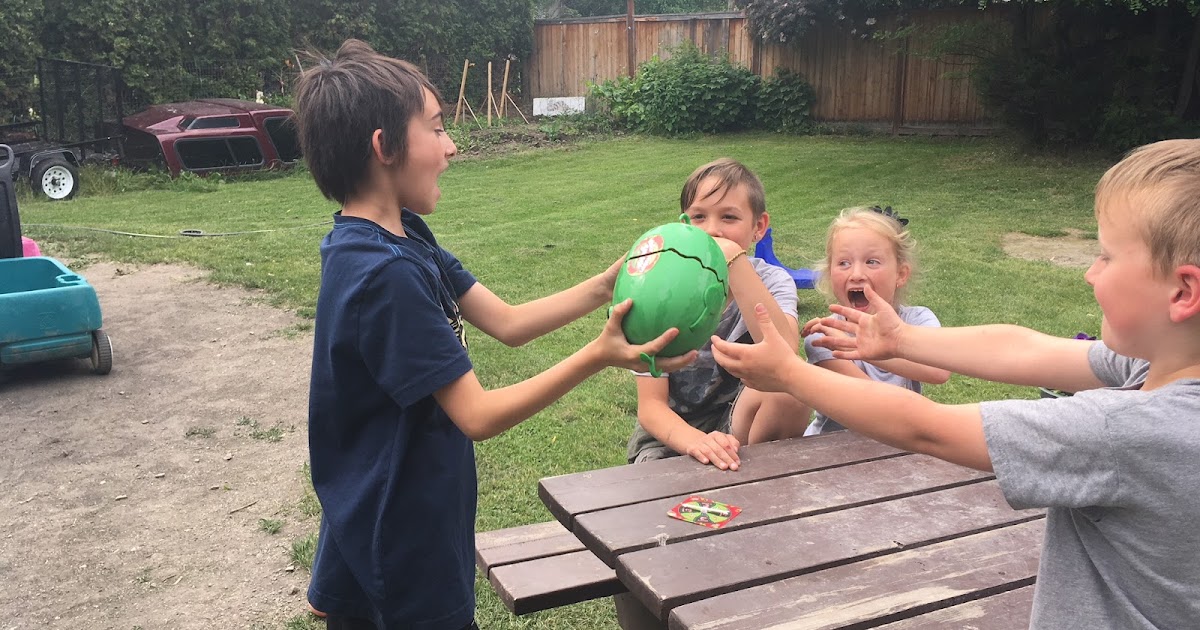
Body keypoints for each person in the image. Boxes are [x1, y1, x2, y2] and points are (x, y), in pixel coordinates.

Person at [711, 138, 1200, 628]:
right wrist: (902, 339)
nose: (1091, 273)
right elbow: (1024, 349)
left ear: (1183, 291)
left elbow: (930, 428)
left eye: (1107, 257)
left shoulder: (1132, 429)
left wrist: (791, 374)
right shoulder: (1152, 368)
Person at [295, 40, 696, 630]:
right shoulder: (386, 275)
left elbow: (506, 322)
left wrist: (607, 284)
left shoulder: (400, 237)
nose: (452, 145)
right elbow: (477, 415)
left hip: (379, 508)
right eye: (435, 129)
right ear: (384, 147)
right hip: (403, 534)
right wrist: (598, 354)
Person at [627, 158, 811, 471]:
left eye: (729, 217)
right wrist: (695, 441)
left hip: (739, 425)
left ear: (758, 227)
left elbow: (787, 352)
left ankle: (759, 485)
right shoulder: (661, 289)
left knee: (791, 389)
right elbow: (651, 406)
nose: (713, 230)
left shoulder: (771, 281)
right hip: (669, 435)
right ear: (684, 226)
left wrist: (736, 264)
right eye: (699, 217)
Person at [800, 206, 949, 435]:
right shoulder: (825, 337)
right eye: (844, 263)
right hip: (834, 453)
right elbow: (877, 406)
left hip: (898, 446)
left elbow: (938, 371)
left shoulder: (918, 320)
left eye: (872, 262)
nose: (857, 273)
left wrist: (868, 347)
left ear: (901, 274)